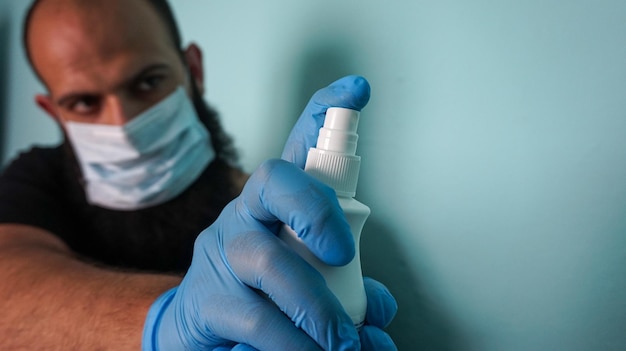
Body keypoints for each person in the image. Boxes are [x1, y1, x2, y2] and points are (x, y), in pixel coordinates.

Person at [0, 0, 398, 350]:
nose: (123, 125)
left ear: (193, 69)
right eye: (84, 102)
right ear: (53, 113)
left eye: (147, 82)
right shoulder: (35, 180)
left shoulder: (269, 219)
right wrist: (168, 320)